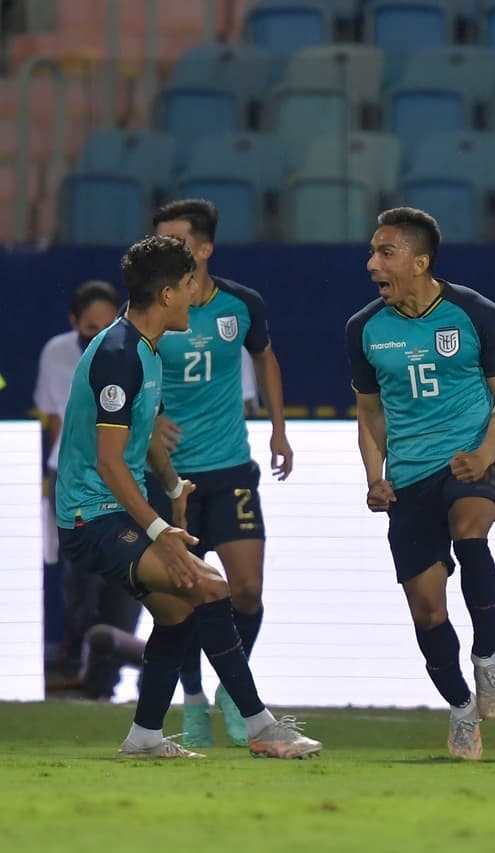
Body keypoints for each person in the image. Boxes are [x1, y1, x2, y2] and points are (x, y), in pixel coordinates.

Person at [55, 235, 321, 759]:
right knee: (210, 586)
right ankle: (260, 725)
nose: (198, 293)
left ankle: (145, 737)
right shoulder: (118, 356)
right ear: (170, 292)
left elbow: (146, 435)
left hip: (111, 511)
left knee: (177, 615)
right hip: (91, 516)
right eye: (190, 283)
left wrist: (174, 487)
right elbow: (109, 464)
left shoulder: (144, 348)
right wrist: (161, 531)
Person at [345, 207, 495, 760]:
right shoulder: (364, 329)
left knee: (472, 533)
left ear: (420, 262)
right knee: (427, 611)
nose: (373, 263)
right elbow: (370, 415)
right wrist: (374, 477)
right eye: (373, 252)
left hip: (470, 460)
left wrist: (485, 452)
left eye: (386, 252)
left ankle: (487, 659)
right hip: (408, 478)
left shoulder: (476, 313)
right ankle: (462, 708)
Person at [146, 199, 295, 749]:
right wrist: (150, 417)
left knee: (247, 590)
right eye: (157, 240)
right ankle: (192, 700)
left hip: (231, 467)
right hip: (169, 477)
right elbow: (125, 366)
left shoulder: (240, 304)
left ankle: (233, 689)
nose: (164, 250)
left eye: (176, 241)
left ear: (204, 250)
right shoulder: (149, 305)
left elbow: (266, 358)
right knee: (183, 596)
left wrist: (279, 428)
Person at [35, 280, 142, 699]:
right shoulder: (56, 353)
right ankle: (79, 659)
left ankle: (103, 678)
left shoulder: (136, 349)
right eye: (88, 326)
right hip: (73, 479)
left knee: (124, 579)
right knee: (79, 582)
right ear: (73, 323)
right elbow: (54, 420)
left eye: (107, 322)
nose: (98, 331)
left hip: (122, 474)